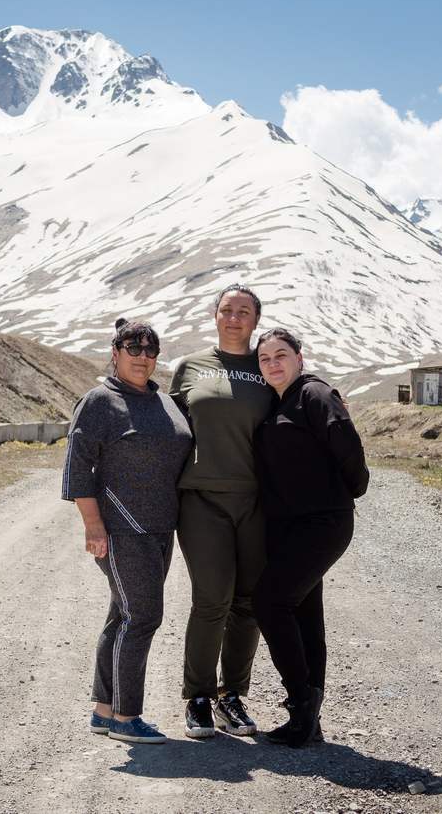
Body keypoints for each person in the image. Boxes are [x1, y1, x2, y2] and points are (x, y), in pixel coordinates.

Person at [61, 319, 193, 745]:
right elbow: (78, 467)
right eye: (132, 347)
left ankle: (103, 711)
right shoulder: (100, 401)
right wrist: (93, 526)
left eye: (151, 349)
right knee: (143, 616)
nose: (143, 356)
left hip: (160, 529)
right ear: (115, 352)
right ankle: (125, 715)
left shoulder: (165, 401)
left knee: (123, 614)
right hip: (121, 529)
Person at [251, 327, 369, 748]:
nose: (273, 364)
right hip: (286, 526)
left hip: (322, 523)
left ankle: (300, 703)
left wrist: (347, 493)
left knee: (269, 602)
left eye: (281, 355)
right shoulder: (278, 401)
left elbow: (349, 449)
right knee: (305, 614)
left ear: (300, 356)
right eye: (265, 359)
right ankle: (309, 723)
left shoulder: (315, 394)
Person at [168, 283, 276, 738]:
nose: (235, 317)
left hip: (257, 501)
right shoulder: (190, 367)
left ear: (255, 320)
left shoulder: (268, 367)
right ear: (215, 316)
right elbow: (169, 431)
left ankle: (232, 696)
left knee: (249, 603)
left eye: (244, 311)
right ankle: (198, 696)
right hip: (201, 500)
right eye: (227, 310)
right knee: (212, 599)